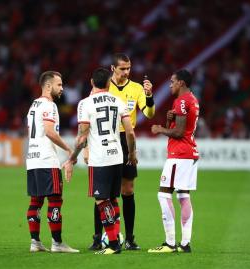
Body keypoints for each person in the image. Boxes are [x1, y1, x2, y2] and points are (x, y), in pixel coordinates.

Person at [64, 67, 138, 255]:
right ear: (109, 83)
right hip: (117, 156)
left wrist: (72, 159)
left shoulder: (85, 104)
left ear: (91, 82)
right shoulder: (118, 101)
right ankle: (117, 239)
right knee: (113, 199)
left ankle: (113, 244)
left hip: (100, 158)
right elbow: (129, 131)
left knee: (101, 201)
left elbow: (82, 137)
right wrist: (131, 153)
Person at [86, 53, 155, 250]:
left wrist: (149, 96)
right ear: (112, 68)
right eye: (123, 68)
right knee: (103, 192)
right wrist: (89, 147)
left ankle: (130, 238)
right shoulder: (104, 87)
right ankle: (98, 237)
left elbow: (149, 114)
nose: (126, 72)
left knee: (128, 190)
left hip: (126, 140)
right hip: (104, 140)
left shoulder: (137, 88)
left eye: (129, 68)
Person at [26, 71, 79, 253]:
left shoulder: (33, 106)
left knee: (36, 202)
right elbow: (49, 131)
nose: (62, 88)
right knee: (55, 200)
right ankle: (57, 243)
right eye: (59, 84)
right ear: (48, 86)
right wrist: (68, 149)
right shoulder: (50, 106)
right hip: (47, 160)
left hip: (32, 160)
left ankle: (35, 242)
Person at [148, 69, 199, 253]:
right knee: (183, 195)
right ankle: (185, 243)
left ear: (181, 83)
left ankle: (170, 243)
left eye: (172, 81)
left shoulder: (183, 100)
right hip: (189, 153)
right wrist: (170, 120)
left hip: (180, 154)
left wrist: (160, 129)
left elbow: (178, 133)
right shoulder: (191, 99)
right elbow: (181, 128)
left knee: (163, 194)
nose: (170, 85)